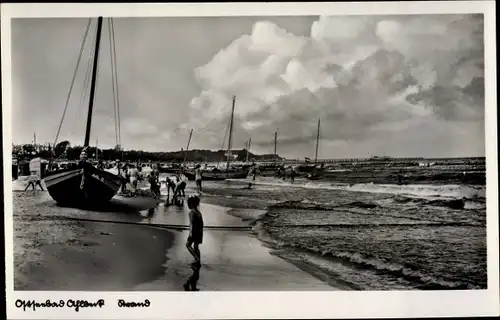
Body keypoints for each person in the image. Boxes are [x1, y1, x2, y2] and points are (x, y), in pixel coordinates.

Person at [184, 195, 203, 291]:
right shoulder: (199, 212)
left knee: (187, 245)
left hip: (194, 232)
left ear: (191, 204)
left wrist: (190, 233)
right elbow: (201, 224)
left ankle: (196, 258)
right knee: (196, 247)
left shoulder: (191, 213)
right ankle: (198, 262)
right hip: (199, 232)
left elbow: (191, 224)